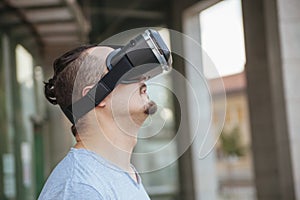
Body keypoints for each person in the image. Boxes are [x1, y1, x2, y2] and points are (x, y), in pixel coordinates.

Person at [38, 44, 158, 199]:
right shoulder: (81, 187)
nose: (142, 77)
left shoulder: (120, 175)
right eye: (120, 68)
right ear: (97, 97)